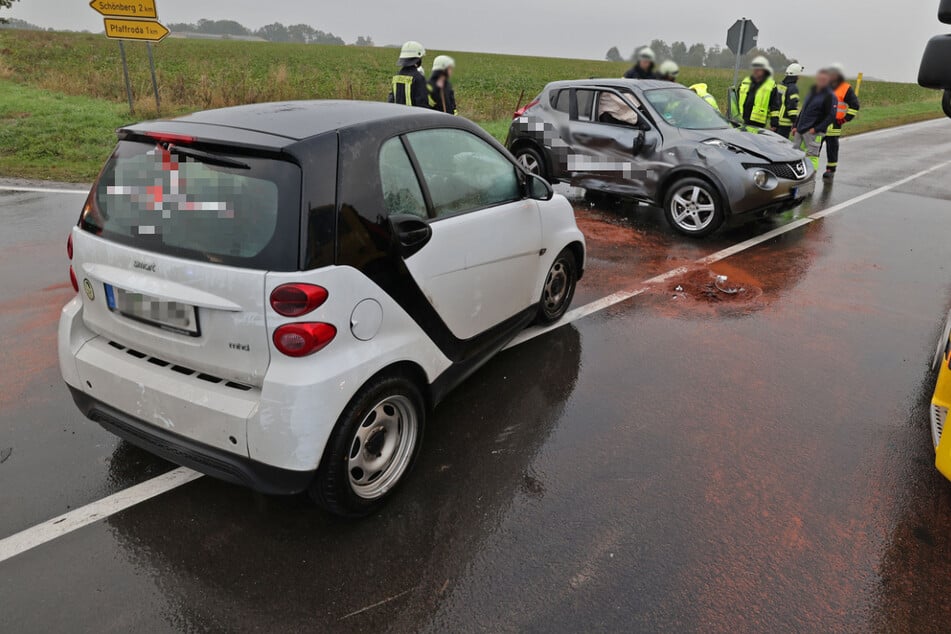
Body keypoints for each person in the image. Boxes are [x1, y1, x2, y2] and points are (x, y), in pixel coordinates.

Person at [791, 68, 837, 172]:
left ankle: (810, 178)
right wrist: (795, 126)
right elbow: (803, 111)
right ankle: (799, 176)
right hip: (801, 130)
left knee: (812, 157)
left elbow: (831, 116)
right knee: (797, 155)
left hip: (814, 132)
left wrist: (816, 129)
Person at [822, 62, 861, 180]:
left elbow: (855, 105)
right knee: (813, 148)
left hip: (834, 124)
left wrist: (845, 118)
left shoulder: (845, 88)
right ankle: (810, 170)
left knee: (832, 147)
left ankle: (830, 169)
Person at [736, 56, 781, 132]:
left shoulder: (771, 85)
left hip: (757, 122)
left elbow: (775, 107)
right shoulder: (745, 81)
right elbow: (735, 100)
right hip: (741, 119)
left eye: (759, 68)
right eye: (755, 68)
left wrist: (774, 124)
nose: (756, 70)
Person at [387, 41, 429, 108]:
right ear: (418, 59)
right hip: (413, 118)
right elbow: (422, 105)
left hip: (397, 116)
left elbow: (391, 100)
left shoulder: (396, 77)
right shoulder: (418, 78)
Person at [777, 63, 804, 139]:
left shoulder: (780, 85)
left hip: (776, 121)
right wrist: (795, 122)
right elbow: (792, 107)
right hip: (785, 124)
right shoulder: (793, 88)